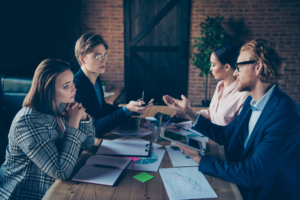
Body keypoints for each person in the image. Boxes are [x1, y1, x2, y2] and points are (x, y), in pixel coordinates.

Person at [163, 39, 300, 200]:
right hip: (241, 181)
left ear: (258, 67)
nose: (235, 73)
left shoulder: (286, 116)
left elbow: (251, 174)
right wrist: (189, 113)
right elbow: (226, 134)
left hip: (263, 193)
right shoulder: (252, 101)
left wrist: (202, 160)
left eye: (239, 67)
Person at [0, 59, 95, 200]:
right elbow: (61, 171)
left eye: (72, 82)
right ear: (47, 89)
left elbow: (89, 143)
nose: (74, 89)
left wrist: (84, 117)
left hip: (56, 188)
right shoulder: (27, 120)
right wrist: (73, 123)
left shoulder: (62, 107)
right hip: (25, 194)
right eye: (66, 86)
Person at [74, 33, 153, 137]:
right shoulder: (77, 86)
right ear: (82, 59)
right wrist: (126, 109)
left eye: (104, 55)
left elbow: (103, 109)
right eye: (97, 56)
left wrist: (132, 108)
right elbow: (94, 129)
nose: (103, 60)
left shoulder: (95, 77)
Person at [197, 44, 249, 125]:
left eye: (213, 65)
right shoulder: (219, 86)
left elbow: (237, 130)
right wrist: (187, 114)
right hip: (209, 136)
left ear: (227, 67)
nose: (210, 68)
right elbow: (212, 112)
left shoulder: (243, 95)